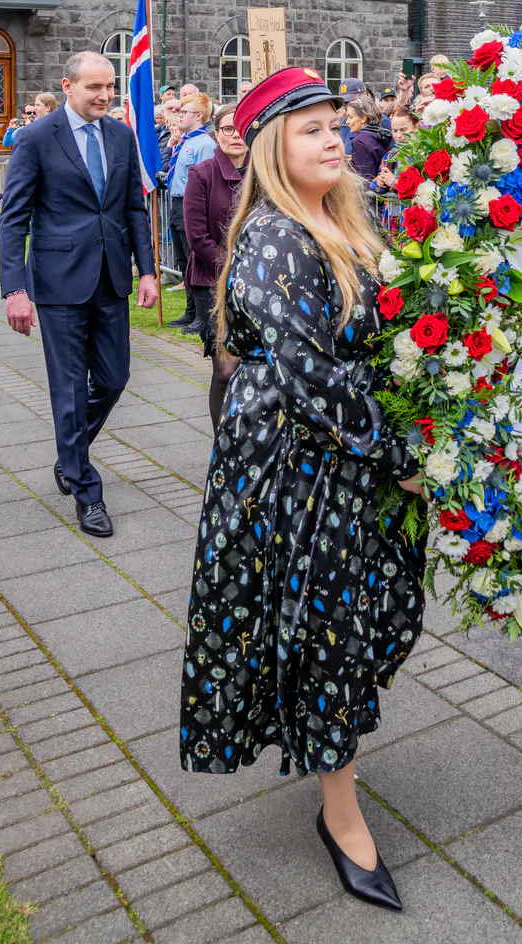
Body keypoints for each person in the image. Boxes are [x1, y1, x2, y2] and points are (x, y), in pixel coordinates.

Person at [180, 67, 424, 911]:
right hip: (293, 468)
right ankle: (341, 816)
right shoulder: (275, 236)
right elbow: (312, 376)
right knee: (325, 634)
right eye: (310, 129)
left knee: (349, 623)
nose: (332, 139)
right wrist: (398, 453)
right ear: (270, 148)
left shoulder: (346, 218)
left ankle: (333, 766)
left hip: (344, 458)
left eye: (334, 125)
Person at [0, 52, 158, 537]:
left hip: (111, 278)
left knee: (113, 378)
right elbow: (14, 218)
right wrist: (15, 289)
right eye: (94, 87)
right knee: (68, 388)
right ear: (68, 86)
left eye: (110, 86)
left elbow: (133, 209)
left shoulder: (121, 135)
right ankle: (87, 491)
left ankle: (70, 454)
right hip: (58, 282)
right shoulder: (35, 138)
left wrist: (148, 271)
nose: (105, 95)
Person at [181, 104, 247, 422]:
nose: (235, 135)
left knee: (252, 366)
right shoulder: (202, 174)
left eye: (241, 127)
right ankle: (222, 441)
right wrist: (233, 268)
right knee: (225, 368)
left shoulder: (263, 173)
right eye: (227, 129)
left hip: (259, 281)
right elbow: (197, 237)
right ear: (216, 133)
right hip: (213, 281)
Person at [166, 93, 216, 329]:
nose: (179, 116)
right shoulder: (185, 141)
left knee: (195, 261)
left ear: (198, 116)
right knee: (183, 261)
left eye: (183, 112)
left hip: (191, 204)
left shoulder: (204, 144)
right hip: (177, 203)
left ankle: (202, 315)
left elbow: (206, 182)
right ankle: (191, 310)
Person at [345, 93, 391, 183]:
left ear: (363, 118)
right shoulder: (378, 134)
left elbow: (364, 179)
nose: (347, 122)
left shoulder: (360, 142)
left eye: (350, 117)